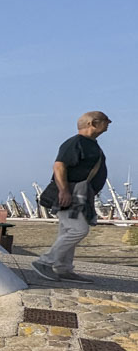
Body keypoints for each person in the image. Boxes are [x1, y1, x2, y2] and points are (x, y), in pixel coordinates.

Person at [30, 111, 113, 283]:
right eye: (106, 120)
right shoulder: (76, 143)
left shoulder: (89, 144)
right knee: (78, 229)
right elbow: (59, 166)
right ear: (92, 123)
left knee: (68, 230)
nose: (109, 123)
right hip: (72, 194)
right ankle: (45, 262)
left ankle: (63, 268)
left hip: (79, 195)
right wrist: (64, 191)